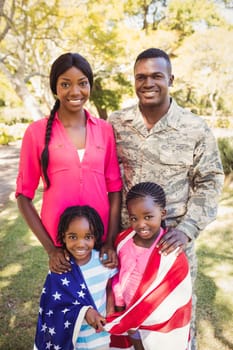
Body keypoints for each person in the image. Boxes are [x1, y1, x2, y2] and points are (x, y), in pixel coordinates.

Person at [108, 48, 224, 350]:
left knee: (174, 328)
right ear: (134, 82)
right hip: (128, 247)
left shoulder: (194, 127)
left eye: (157, 76)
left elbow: (210, 181)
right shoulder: (117, 124)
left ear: (170, 78)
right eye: (141, 77)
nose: (149, 83)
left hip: (173, 247)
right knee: (127, 324)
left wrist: (187, 229)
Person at [16, 52, 122, 274]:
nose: (75, 91)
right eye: (66, 84)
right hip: (61, 246)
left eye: (82, 83)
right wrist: (51, 249)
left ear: (90, 86)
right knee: (67, 305)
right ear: (55, 88)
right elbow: (24, 196)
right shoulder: (35, 133)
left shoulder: (104, 130)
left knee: (103, 304)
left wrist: (110, 241)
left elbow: (114, 189)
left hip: (99, 242)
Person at [105, 182, 192, 350]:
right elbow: (119, 275)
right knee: (136, 345)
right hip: (129, 314)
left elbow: (175, 294)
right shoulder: (124, 242)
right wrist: (119, 304)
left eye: (148, 217)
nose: (141, 224)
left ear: (163, 213)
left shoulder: (169, 250)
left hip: (156, 321)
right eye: (134, 218)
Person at [34, 204, 118, 350]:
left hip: (100, 336)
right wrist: (85, 312)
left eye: (88, 237)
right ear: (63, 237)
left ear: (95, 237)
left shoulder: (103, 261)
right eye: (73, 237)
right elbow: (53, 307)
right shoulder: (60, 267)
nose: (80, 244)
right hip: (72, 339)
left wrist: (110, 311)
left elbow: (110, 287)